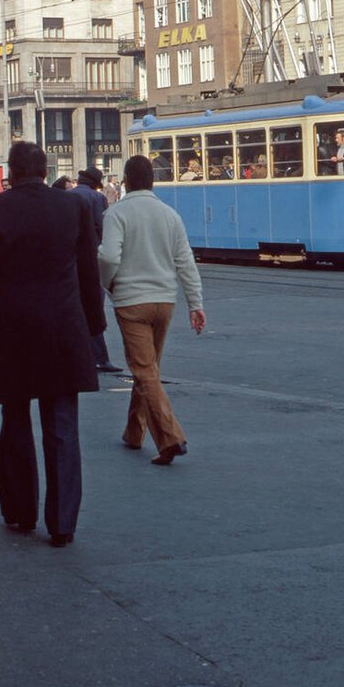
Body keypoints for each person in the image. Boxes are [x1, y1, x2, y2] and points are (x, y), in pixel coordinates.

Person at [0, 141, 104, 547]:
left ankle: (20, 512)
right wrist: (93, 326)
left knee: (15, 420)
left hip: (10, 331)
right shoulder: (73, 207)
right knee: (63, 426)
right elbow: (88, 272)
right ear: (44, 169)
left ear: (13, 173)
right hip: (61, 330)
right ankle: (63, 522)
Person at [98, 154, 206, 467]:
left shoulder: (116, 213)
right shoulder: (170, 215)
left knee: (144, 370)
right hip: (165, 301)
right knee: (149, 369)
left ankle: (170, 438)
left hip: (131, 301)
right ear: (153, 181)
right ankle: (134, 431)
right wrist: (195, 304)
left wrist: (109, 284)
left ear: (126, 181)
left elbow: (107, 257)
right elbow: (185, 262)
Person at [69, 167, 122, 373]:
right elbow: (102, 227)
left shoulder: (68, 196)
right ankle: (100, 358)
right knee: (93, 309)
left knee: (75, 308)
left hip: (70, 260)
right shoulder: (96, 198)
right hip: (91, 259)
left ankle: (77, 356)